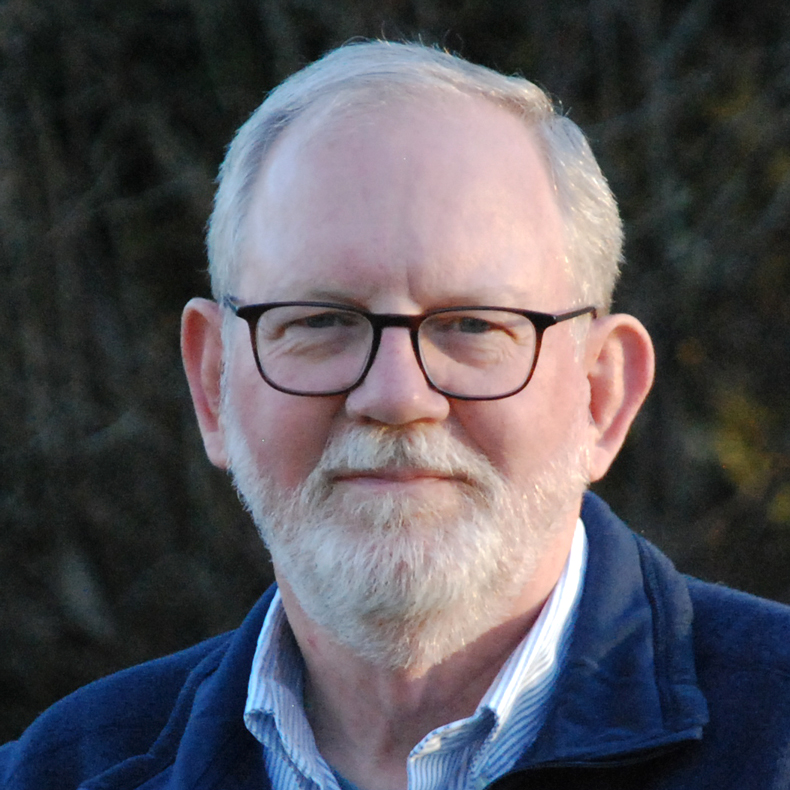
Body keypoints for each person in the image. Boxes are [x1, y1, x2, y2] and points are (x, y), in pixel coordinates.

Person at [2, 39, 789, 790]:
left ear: (601, 395)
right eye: (319, 322)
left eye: (473, 326)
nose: (397, 396)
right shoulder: (57, 773)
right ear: (214, 382)